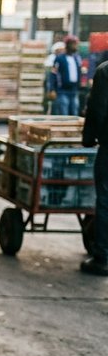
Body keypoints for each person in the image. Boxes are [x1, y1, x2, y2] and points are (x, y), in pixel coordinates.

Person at [81, 58, 108, 276]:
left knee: (106, 200)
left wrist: (88, 139)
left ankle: (103, 257)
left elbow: (97, 110)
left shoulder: (105, 72)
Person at [52, 36, 83, 116]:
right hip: (62, 91)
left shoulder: (77, 58)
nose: (75, 46)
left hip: (74, 90)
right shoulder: (59, 58)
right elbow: (53, 74)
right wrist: (52, 89)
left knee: (74, 112)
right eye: (73, 44)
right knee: (64, 114)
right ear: (68, 45)